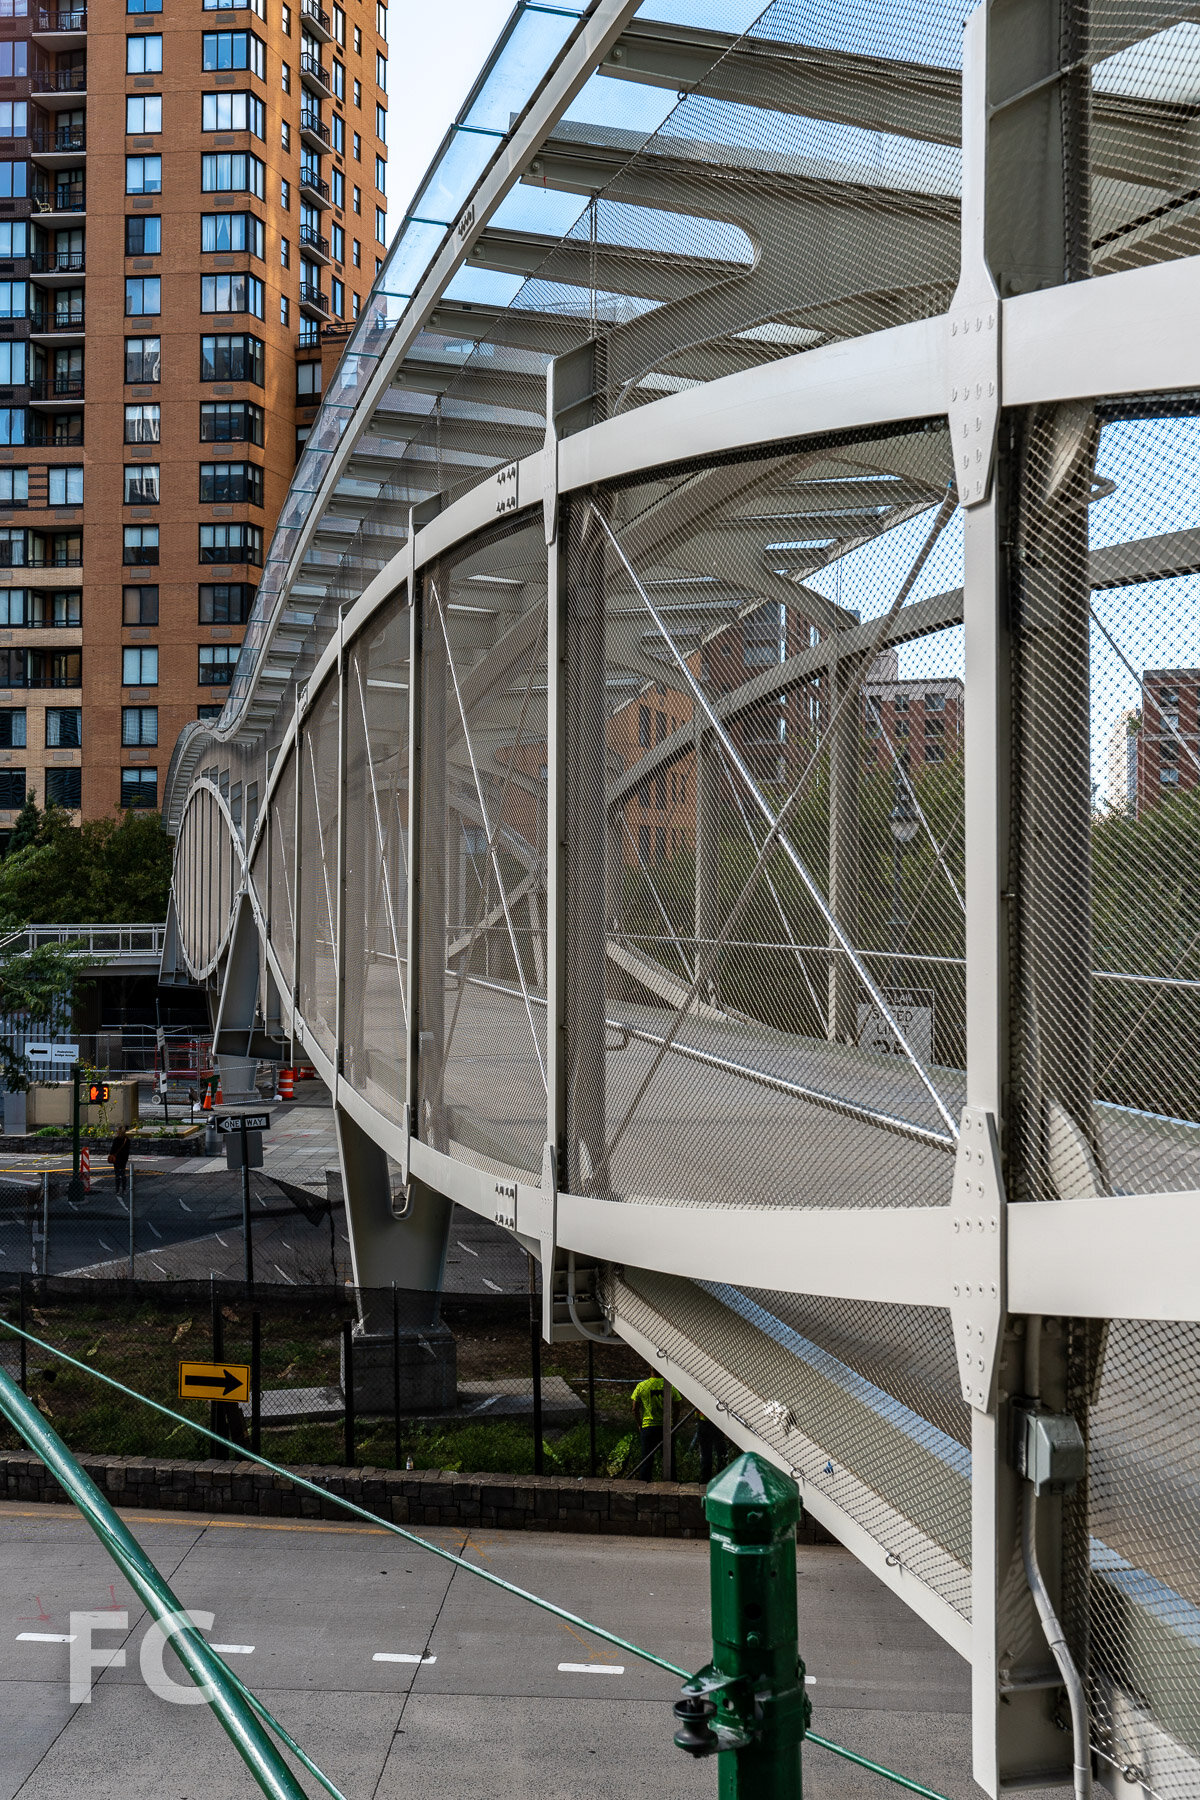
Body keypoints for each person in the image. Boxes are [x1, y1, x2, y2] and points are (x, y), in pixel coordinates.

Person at [107, 1124, 131, 1198]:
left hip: (116, 1159)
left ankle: (117, 1190)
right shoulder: (127, 1140)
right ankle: (124, 1189)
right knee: (123, 1174)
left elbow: (112, 1150)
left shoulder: (116, 1140)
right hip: (123, 1159)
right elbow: (128, 1151)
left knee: (117, 1174)